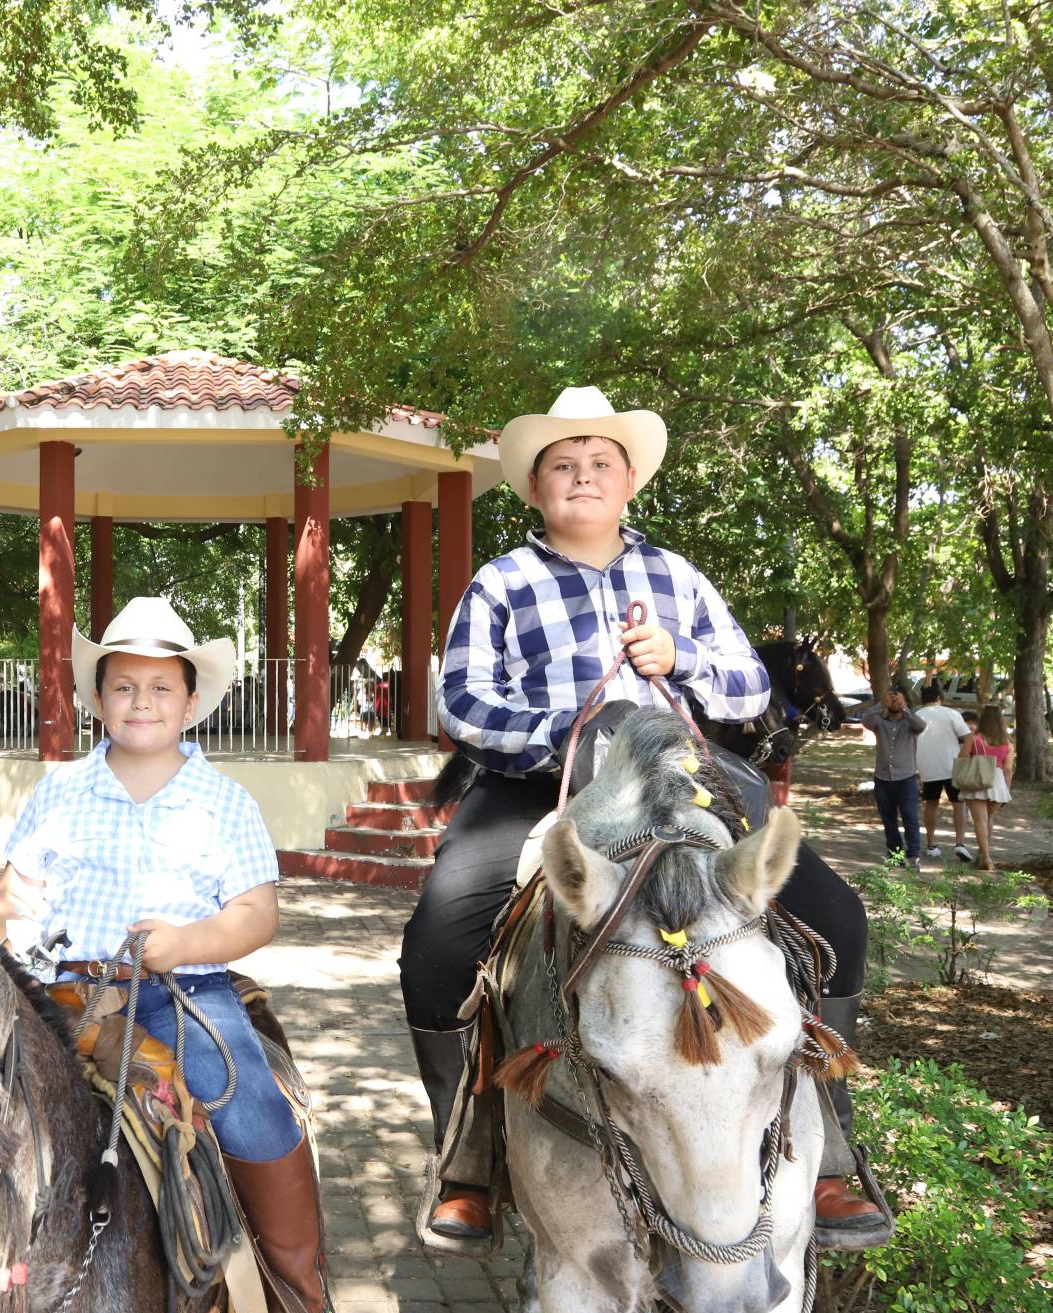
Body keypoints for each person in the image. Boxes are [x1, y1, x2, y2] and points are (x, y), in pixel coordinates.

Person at [405, 385, 885, 1252]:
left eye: (600, 463)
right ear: (536, 488)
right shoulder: (502, 581)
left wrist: (684, 655)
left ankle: (830, 1154)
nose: (582, 476)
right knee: (436, 947)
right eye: (563, 465)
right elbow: (465, 703)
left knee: (838, 923)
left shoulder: (677, 576)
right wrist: (565, 734)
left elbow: (747, 685)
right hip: (540, 784)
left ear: (629, 483)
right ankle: (467, 1157)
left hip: (683, 781)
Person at [0, 597, 330, 1313]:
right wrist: (13, 935)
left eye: (161, 687)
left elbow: (255, 913)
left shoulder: (223, 800)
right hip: (62, 991)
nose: (141, 701)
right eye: (122, 686)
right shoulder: (61, 790)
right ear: (98, 698)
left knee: (254, 1112)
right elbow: (13, 894)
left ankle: (297, 1296)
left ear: (192, 700)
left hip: (180, 992)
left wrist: (184, 943)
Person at [853, 683, 926, 870]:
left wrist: (905, 708)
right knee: (888, 819)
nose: (894, 702)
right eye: (892, 698)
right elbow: (866, 721)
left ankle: (914, 854)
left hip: (907, 778)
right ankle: (895, 854)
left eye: (897, 698)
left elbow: (921, 725)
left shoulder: (910, 723)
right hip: (883, 778)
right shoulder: (879, 722)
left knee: (910, 818)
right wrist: (881, 705)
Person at [915, 683, 973, 862]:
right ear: (940, 698)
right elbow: (968, 737)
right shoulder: (951, 713)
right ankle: (959, 843)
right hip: (951, 766)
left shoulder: (916, 716)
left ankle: (932, 844)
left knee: (931, 804)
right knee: (959, 804)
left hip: (927, 765)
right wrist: (961, 759)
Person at [957, 704, 1014, 870]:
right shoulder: (1008, 743)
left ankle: (986, 857)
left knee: (979, 820)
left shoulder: (974, 738)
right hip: (997, 781)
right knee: (989, 819)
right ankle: (982, 855)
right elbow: (1008, 769)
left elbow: (962, 757)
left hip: (977, 779)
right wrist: (1006, 790)